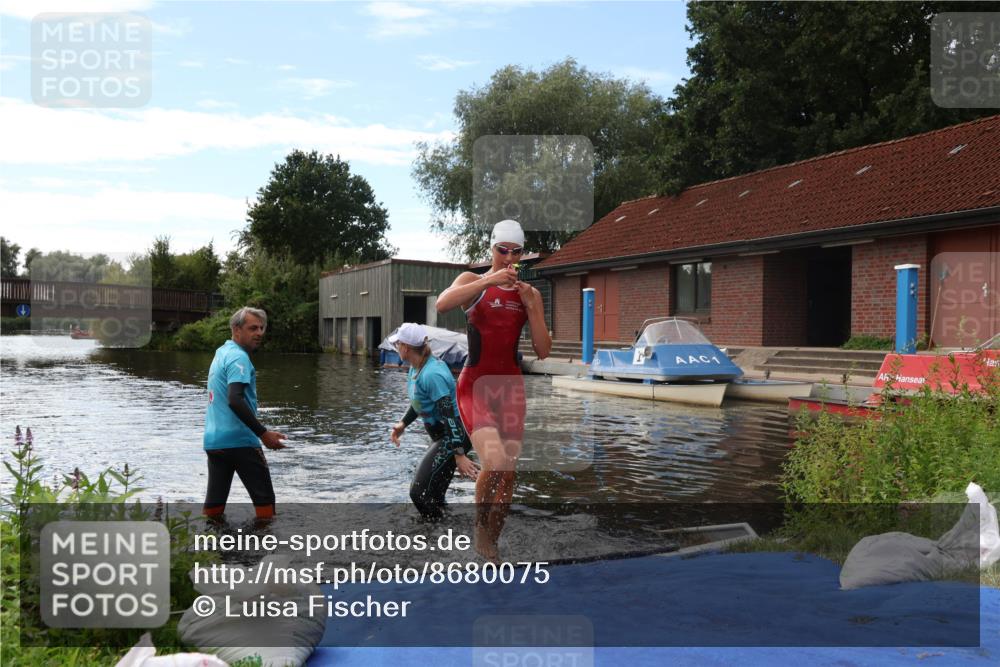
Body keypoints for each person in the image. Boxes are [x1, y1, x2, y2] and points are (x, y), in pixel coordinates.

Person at [435, 220, 551, 559]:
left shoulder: (529, 294)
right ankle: (480, 532)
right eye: (503, 251)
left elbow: (544, 350)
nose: (510, 259)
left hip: (510, 391)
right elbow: (442, 304)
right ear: (492, 249)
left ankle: (492, 544)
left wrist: (532, 306)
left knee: (508, 475)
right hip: (476, 386)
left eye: (517, 253)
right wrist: (489, 279)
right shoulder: (473, 281)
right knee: (496, 461)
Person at [202, 307, 287, 519]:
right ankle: (264, 540)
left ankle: (209, 539)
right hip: (240, 441)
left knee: (214, 506)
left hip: (214, 441)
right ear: (236, 329)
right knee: (266, 506)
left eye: (261, 328)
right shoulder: (238, 358)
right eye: (252, 328)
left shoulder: (222, 353)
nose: (259, 333)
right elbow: (235, 399)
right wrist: (263, 433)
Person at [389, 322, 479, 518]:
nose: (396, 347)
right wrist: (403, 423)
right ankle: (446, 527)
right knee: (434, 495)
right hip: (445, 437)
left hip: (454, 436)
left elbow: (449, 415)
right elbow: (419, 402)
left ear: (406, 347)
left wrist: (459, 454)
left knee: (419, 493)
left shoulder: (432, 374)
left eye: (397, 344)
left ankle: (436, 530)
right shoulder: (416, 368)